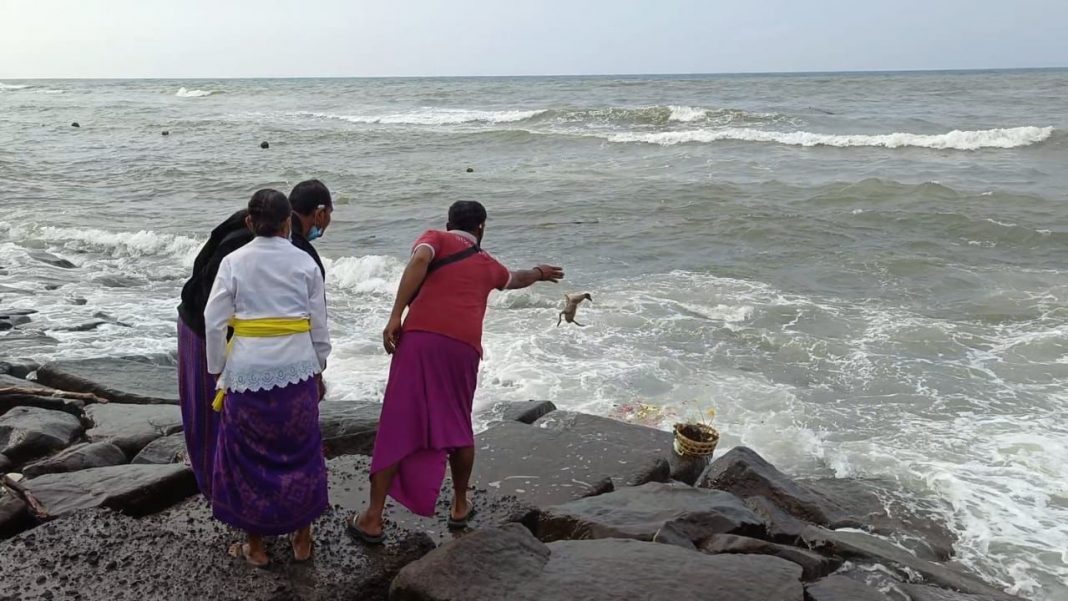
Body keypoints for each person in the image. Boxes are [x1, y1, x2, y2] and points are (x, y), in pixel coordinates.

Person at [349, 201, 563, 543]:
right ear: (481, 227)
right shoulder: (487, 262)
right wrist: (539, 272)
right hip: (463, 349)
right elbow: (515, 279)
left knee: (399, 420)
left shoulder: (436, 238)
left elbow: (419, 260)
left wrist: (395, 316)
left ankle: (373, 518)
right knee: (458, 423)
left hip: (421, 340)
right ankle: (460, 506)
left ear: (449, 224)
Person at [176, 180, 333, 498]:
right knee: (222, 422)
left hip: (217, 333)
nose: (328, 222)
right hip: (209, 333)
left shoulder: (243, 238)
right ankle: (223, 491)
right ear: (316, 213)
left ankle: (231, 496)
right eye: (329, 214)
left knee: (232, 427)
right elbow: (316, 322)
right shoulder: (299, 257)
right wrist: (317, 367)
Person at [203, 189, 331, 566]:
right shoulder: (304, 262)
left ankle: (256, 547)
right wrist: (318, 365)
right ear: (288, 221)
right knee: (302, 451)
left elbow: (214, 322)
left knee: (247, 458)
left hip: (246, 372)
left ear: (249, 223)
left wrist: (217, 369)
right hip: (298, 369)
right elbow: (318, 324)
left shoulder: (233, 261)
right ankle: (302, 538)